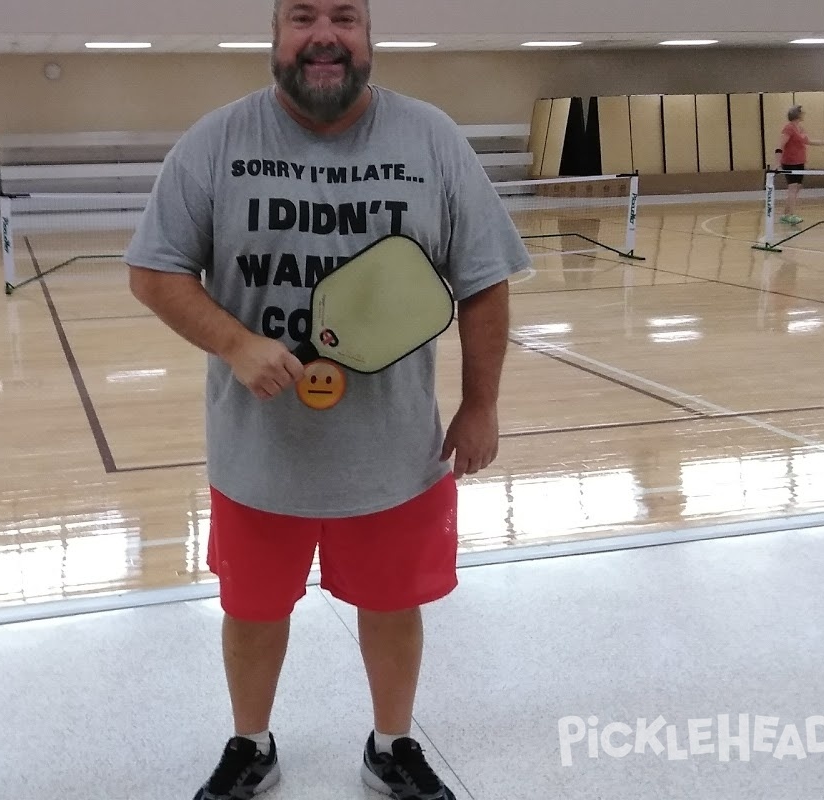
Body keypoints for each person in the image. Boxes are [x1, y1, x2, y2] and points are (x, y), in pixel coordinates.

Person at [123, 0, 530, 797]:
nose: (324, 35)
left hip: (394, 457)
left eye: (344, 16)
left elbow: (484, 280)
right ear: (275, 38)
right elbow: (154, 270)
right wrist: (236, 344)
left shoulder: (431, 140)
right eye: (301, 16)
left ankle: (391, 746)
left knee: (392, 607)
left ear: (368, 37)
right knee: (252, 612)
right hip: (257, 460)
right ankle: (250, 745)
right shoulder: (216, 142)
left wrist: (480, 406)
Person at [773, 105, 824, 226]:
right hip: (790, 162)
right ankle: (791, 215)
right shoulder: (788, 128)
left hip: (800, 162)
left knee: (797, 187)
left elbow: (809, 141)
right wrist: (777, 164)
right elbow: (780, 146)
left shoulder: (800, 128)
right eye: (802, 112)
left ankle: (786, 214)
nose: (803, 114)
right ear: (797, 114)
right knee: (793, 187)